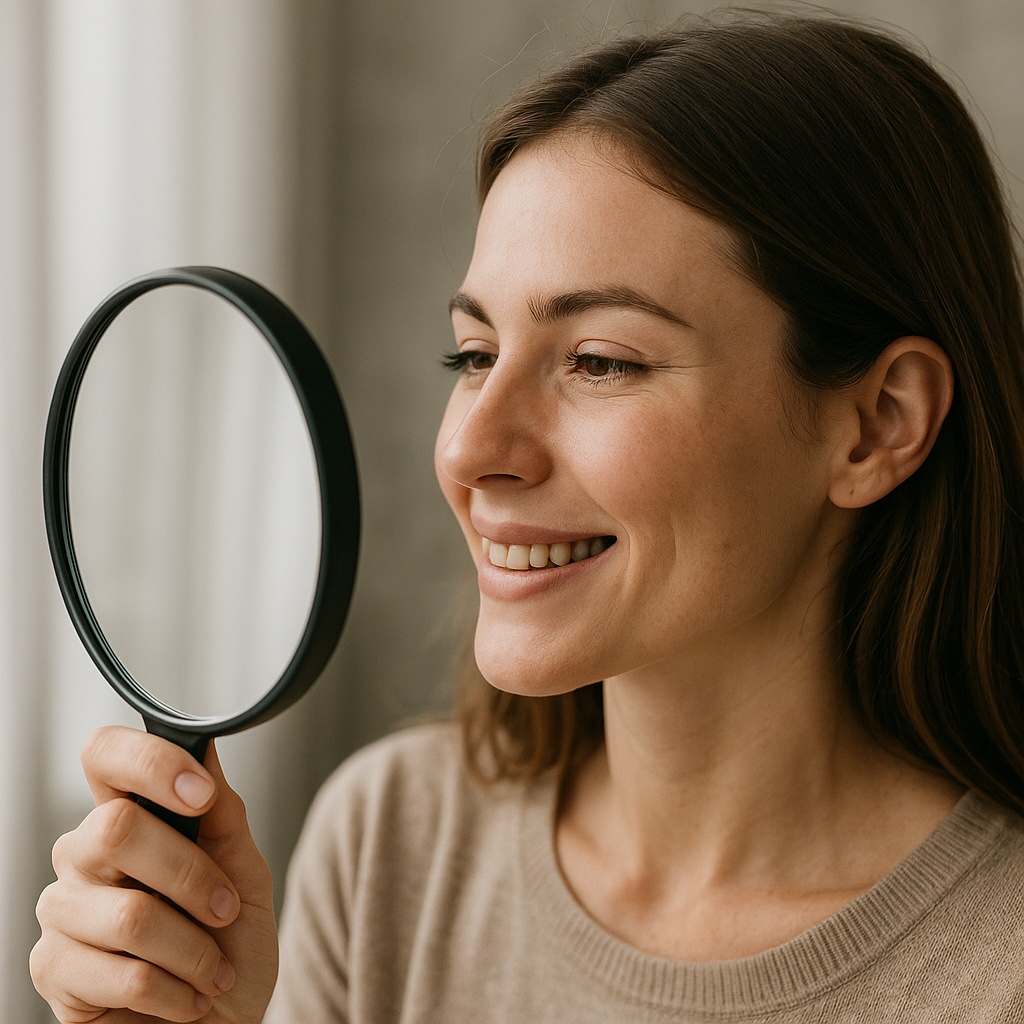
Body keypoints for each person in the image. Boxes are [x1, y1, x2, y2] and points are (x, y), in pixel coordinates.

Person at [30, 9, 1024, 1022]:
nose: (468, 450)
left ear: (878, 423)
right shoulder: (395, 849)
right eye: (474, 356)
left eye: (600, 361)